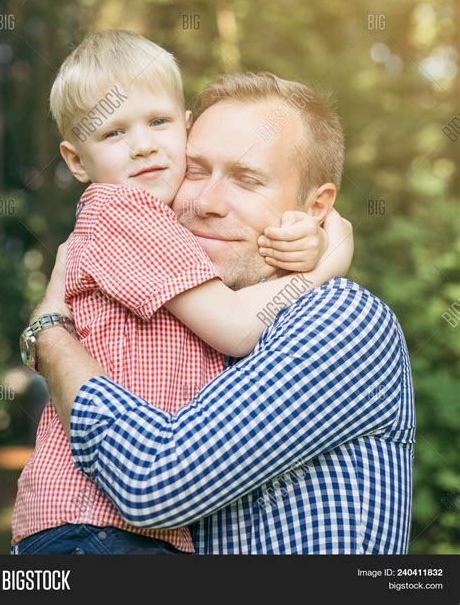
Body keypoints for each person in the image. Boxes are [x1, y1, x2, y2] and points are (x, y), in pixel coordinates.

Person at [25, 70, 415, 555]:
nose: (206, 203)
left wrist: (51, 334)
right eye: (193, 169)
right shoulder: (174, 331)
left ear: (317, 208)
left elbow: (153, 482)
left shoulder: (341, 318)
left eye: (247, 179)